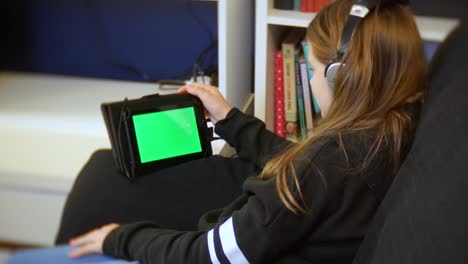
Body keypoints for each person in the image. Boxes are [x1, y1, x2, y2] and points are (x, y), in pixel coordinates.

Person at [7, 0, 427, 263]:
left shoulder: (322, 166)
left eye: (313, 70)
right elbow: (305, 167)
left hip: (221, 243)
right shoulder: (384, 133)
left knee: (100, 194)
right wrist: (230, 118)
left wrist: (121, 238)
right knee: (105, 171)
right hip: (269, 225)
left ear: (340, 78)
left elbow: (208, 254)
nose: (313, 82)